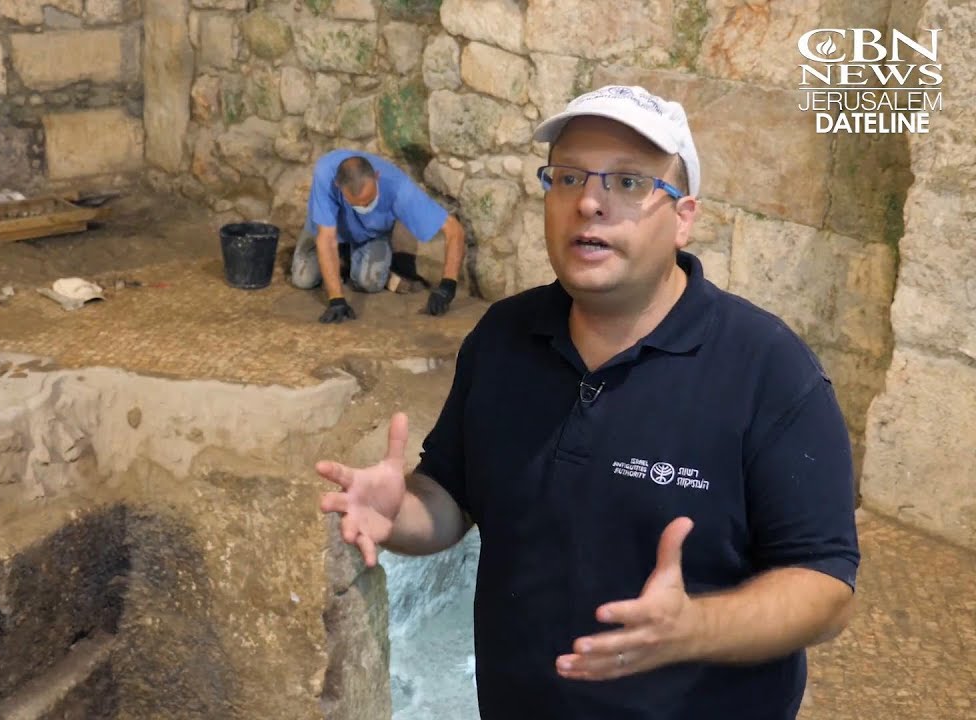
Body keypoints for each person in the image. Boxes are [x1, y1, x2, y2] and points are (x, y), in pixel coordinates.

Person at [316, 86, 859, 719]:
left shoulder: (767, 369)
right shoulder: (503, 338)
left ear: (684, 216)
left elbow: (825, 589)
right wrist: (400, 512)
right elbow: (449, 500)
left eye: (629, 182)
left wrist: (693, 629)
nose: (590, 202)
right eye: (568, 177)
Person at [291, 149, 466, 323]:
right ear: (338, 186)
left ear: (377, 176)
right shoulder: (325, 173)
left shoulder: (398, 186)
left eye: (369, 200)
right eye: (357, 204)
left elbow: (454, 230)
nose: (365, 206)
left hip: (369, 234)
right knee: (303, 278)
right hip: (327, 229)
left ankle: (345, 260)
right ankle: (341, 258)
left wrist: (447, 286)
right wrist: (336, 299)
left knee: (370, 282)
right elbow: (327, 238)